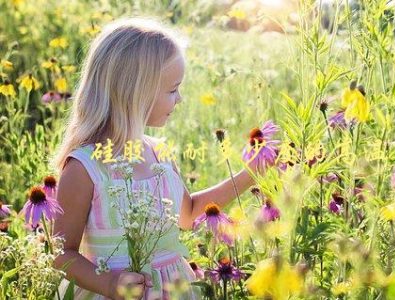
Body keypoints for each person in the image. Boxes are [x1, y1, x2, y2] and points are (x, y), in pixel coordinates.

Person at [52, 17, 258, 299]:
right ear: (135, 93)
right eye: (173, 90)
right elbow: (62, 254)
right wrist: (109, 284)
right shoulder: (85, 167)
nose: (180, 99)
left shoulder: (160, 152)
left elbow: (187, 215)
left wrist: (250, 173)